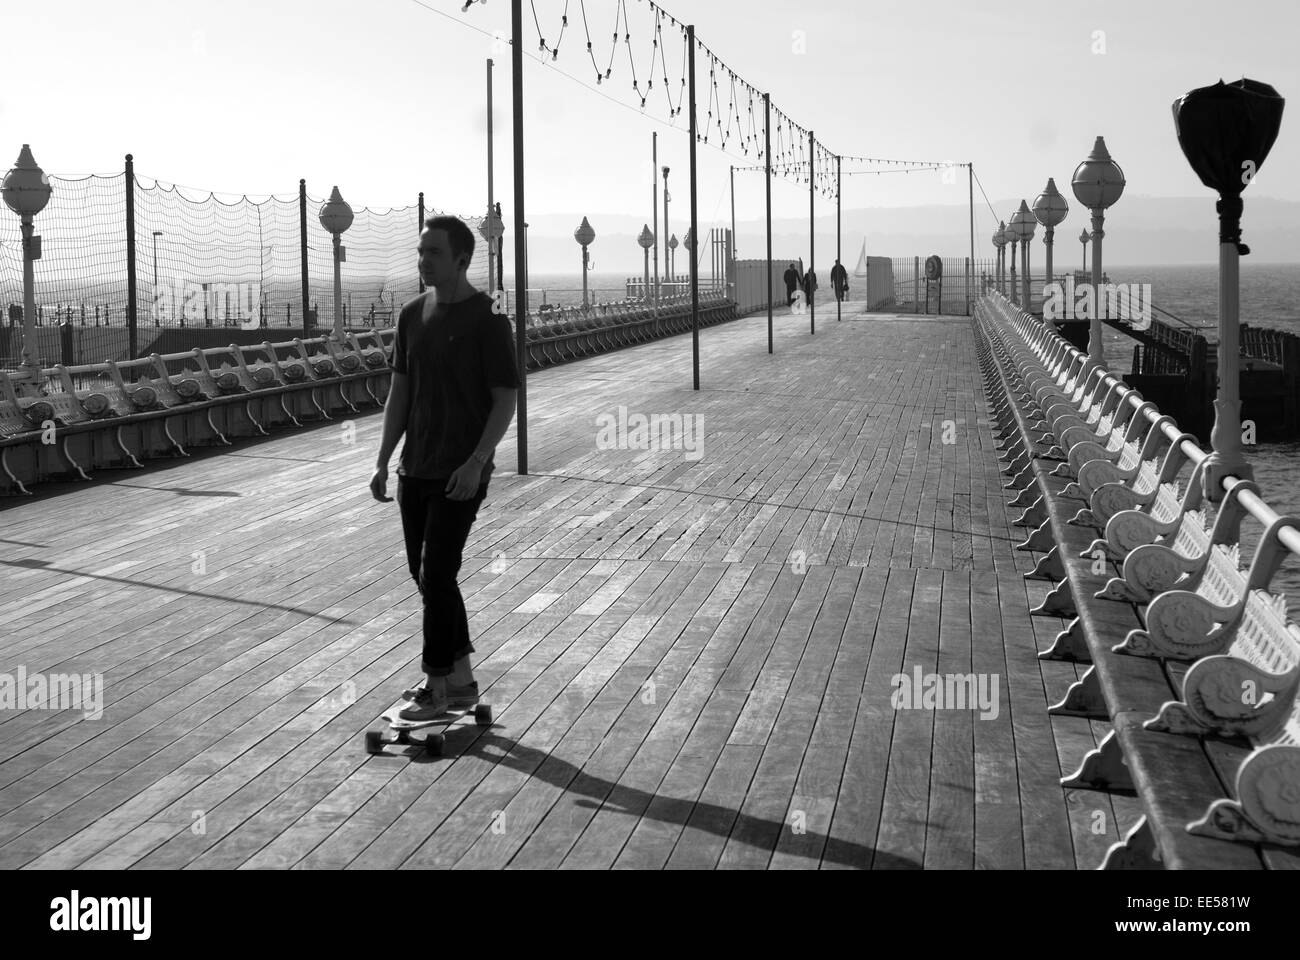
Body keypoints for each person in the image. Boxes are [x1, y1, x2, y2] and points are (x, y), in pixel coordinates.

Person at [371, 215, 520, 722]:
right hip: (416, 469)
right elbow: (400, 393)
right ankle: (461, 680)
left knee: (437, 572)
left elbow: (505, 400)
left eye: (433, 252)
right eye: (421, 251)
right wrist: (383, 458)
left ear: (461, 258)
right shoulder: (411, 315)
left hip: (462, 473)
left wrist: (478, 462)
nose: (423, 260)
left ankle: (435, 685)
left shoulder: (488, 319)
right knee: (425, 574)